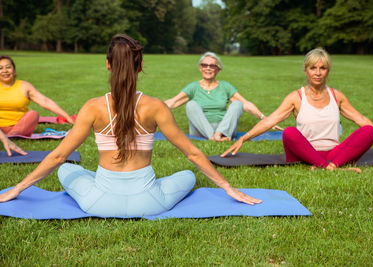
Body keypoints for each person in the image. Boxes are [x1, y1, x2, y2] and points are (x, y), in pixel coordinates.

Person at [0, 34, 261, 216]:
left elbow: (58, 155)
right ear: (140, 66)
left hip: (98, 203)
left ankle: (101, 181)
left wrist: (18, 188)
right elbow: (192, 153)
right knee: (188, 176)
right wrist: (228, 187)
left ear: (107, 64)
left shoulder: (92, 107)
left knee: (66, 171)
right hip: (150, 202)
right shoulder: (155, 106)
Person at [222, 47, 373, 173]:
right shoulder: (295, 97)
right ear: (306, 71)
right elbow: (270, 121)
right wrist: (244, 138)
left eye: (322, 68)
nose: (318, 72)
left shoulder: (337, 96)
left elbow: (362, 120)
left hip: (334, 153)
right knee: (289, 132)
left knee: (368, 131)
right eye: (313, 67)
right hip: (304, 154)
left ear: (328, 71)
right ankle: (332, 167)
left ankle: (329, 167)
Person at [165, 52, 282, 142]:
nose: (208, 68)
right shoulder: (193, 87)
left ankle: (218, 134)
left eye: (212, 65)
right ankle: (214, 136)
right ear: (200, 68)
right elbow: (173, 102)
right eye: (204, 65)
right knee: (191, 105)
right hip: (200, 130)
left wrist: (267, 120)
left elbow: (245, 104)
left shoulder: (225, 86)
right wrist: (149, 106)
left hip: (225, 129)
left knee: (238, 103)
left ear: (218, 69)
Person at [0, 55, 74, 137]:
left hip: (20, 126)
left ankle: (12, 135)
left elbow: (45, 101)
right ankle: (8, 136)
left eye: (8, 67)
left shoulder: (25, 86)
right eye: (1, 68)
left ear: (14, 70)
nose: (5, 71)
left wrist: (67, 117)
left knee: (33, 114)